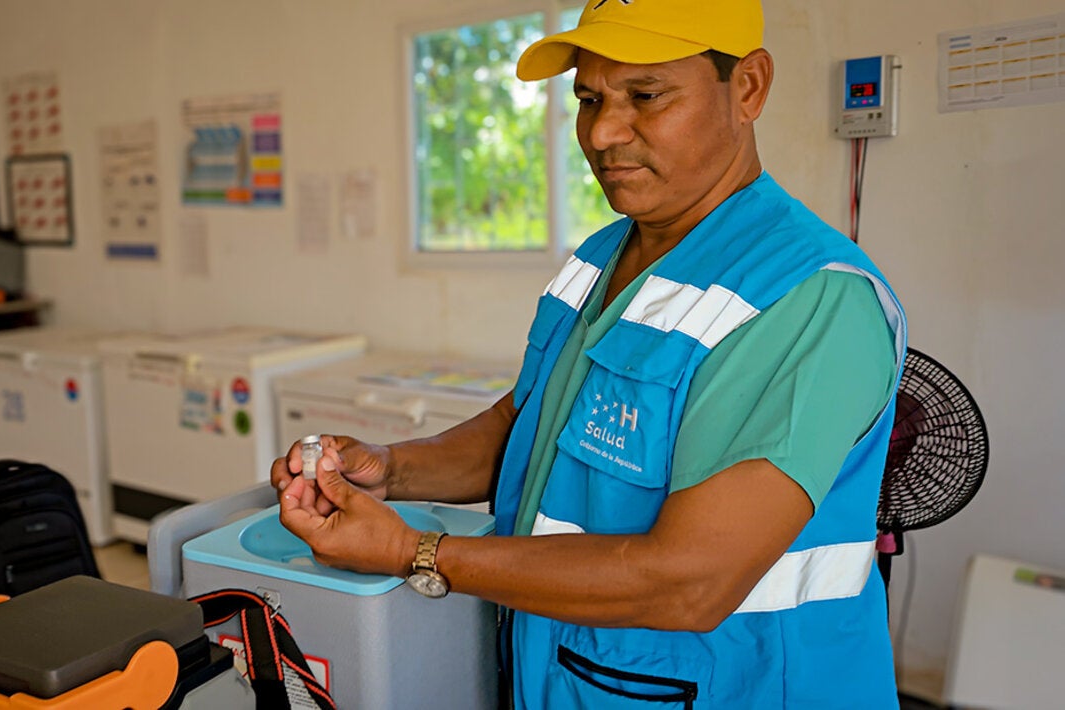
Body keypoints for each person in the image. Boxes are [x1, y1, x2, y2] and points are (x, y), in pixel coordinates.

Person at [272, 0, 907, 706]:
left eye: (645, 95)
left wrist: (414, 553)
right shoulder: (603, 258)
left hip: (734, 688)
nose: (602, 132)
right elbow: (529, 428)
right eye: (588, 98)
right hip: (569, 673)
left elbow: (691, 580)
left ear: (749, 87)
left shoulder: (805, 298)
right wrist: (391, 471)